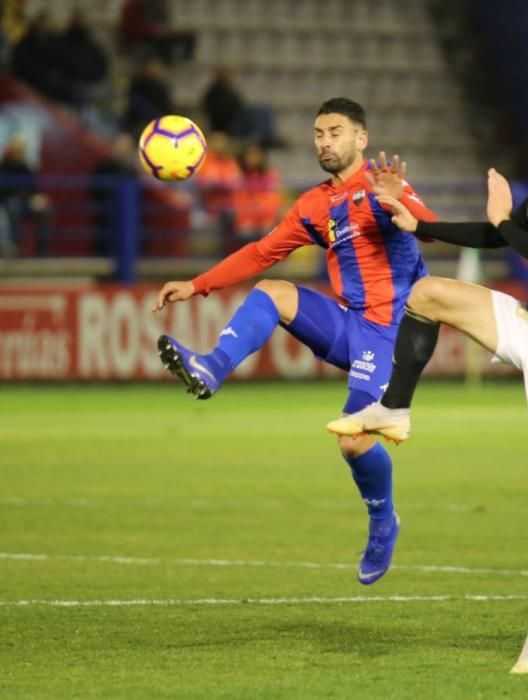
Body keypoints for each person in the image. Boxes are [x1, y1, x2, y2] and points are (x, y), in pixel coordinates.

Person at [327, 99, 528, 673]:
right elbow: (496, 237)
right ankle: (394, 409)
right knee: (428, 294)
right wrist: (420, 225)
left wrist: (506, 220)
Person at [152, 97, 436, 586]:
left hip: (392, 332)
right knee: (273, 291)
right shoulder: (313, 204)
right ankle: (212, 368)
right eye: (319, 133)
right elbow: (261, 252)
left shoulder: (383, 185)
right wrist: (198, 284)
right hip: (349, 322)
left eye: (335, 132)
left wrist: (400, 203)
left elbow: (428, 227)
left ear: (360, 139)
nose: (325, 142)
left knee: (352, 443)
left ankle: (383, 520)